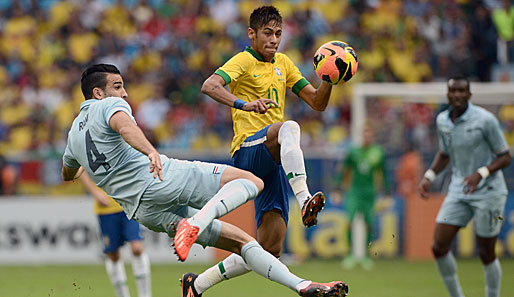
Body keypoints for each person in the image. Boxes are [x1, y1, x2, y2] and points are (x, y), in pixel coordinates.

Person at [62, 63, 348, 297]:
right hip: (161, 178)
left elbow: (68, 173)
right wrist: (150, 151)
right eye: (117, 86)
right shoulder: (108, 106)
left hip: (142, 211)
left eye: (123, 86)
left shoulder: (73, 136)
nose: (123, 94)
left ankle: (301, 285)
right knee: (252, 182)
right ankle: (195, 224)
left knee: (243, 243)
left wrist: (94, 168)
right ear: (97, 93)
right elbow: (125, 128)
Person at [188, 6, 340, 296]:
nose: (274, 39)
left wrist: (329, 77)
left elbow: (318, 103)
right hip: (247, 150)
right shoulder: (244, 60)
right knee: (288, 128)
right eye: (268, 33)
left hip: (271, 160)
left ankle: (196, 284)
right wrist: (244, 104)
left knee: (269, 248)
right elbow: (210, 85)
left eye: (278, 34)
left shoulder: (284, 62)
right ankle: (305, 198)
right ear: (252, 34)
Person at [418, 76, 511, 297]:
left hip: (489, 191)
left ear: (469, 94)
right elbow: (444, 152)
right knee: (438, 246)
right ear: (448, 94)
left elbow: (505, 156)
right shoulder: (442, 120)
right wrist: (429, 175)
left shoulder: (485, 120)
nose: (457, 95)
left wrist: (481, 173)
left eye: (462, 91)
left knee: (486, 252)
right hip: (459, 190)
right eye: (453, 91)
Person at [80, 173, 151, 297]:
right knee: (113, 255)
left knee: (137, 248)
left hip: (127, 203)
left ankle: (145, 295)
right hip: (105, 209)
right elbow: (78, 168)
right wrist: (94, 192)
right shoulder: (85, 152)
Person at [338, 126, 390, 270]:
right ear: (362, 136)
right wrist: (338, 187)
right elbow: (344, 170)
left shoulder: (378, 152)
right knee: (349, 220)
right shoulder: (353, 152)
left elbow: (384, 172)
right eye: (365, 135)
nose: (367, 138)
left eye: (370, 135)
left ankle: (366, 256)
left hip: (370, 192)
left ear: (372, 137)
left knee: (369, 223)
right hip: (354, 191)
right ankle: (349, 255)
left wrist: (387, 191)